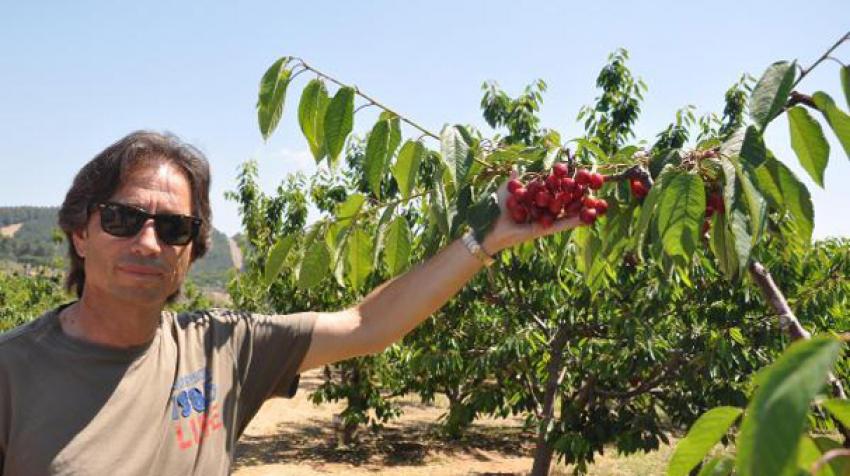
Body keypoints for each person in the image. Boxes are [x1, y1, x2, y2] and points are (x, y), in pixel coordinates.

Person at [0, 131, 581, 475]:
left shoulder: (222, 349)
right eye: (123, 219)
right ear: (79, 232)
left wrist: (485, 238)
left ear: (193, 250)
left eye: (174, 228)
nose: (148, 242)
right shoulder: (11, 375)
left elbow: (367, 323)